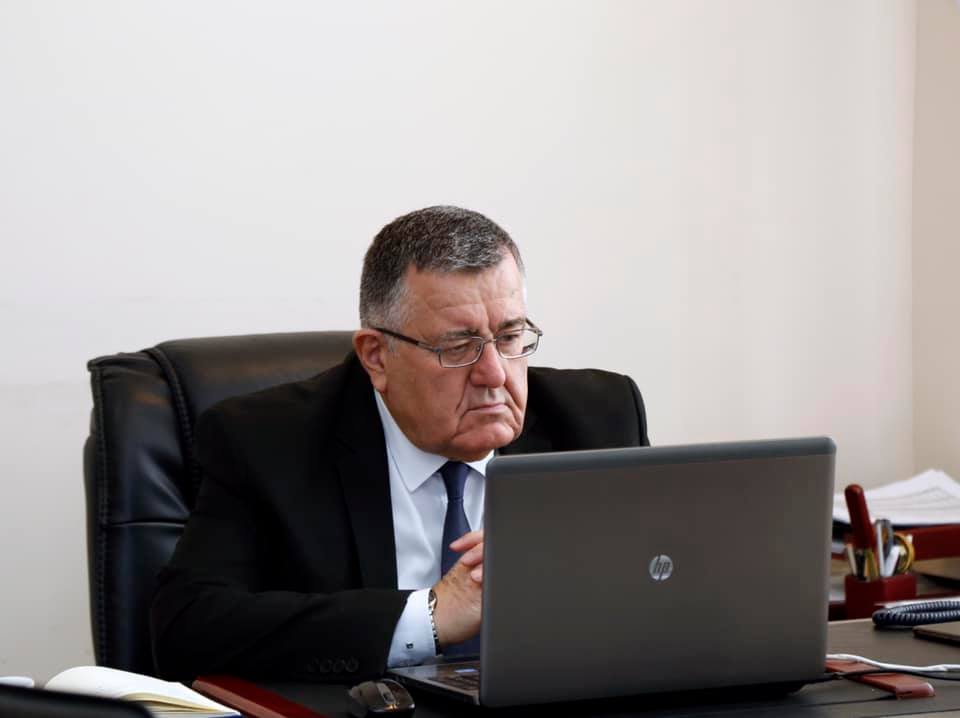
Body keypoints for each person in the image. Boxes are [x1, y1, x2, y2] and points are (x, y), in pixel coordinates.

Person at [151, 206, 649, 681]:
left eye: (510, 336)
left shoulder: (599, 421)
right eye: (459, 346)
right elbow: (187, 628)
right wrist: (430, 615)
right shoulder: (266, 441)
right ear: (376, 356)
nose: (494, 373)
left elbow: (661, 587)